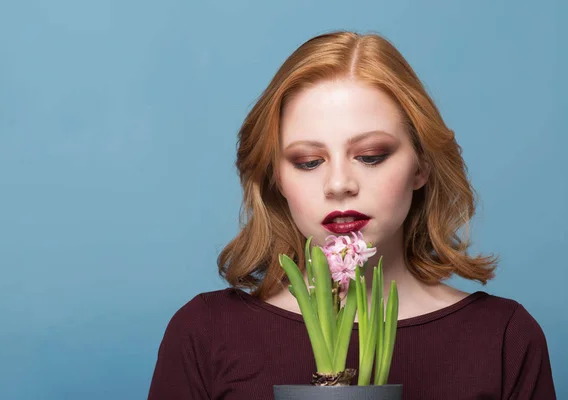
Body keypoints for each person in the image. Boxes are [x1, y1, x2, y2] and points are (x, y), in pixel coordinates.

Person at [147, 31, 556, 399]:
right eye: (308, 161)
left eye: (371, 156)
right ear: (276, 178)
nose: (339, 183)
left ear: (421, 167)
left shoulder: (505, 339)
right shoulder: (204, 333)